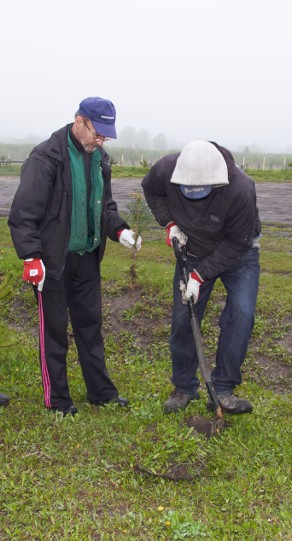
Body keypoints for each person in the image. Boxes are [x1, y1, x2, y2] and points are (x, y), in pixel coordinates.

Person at [8, 97, 140, 416]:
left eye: (107, 134)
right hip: (52, 262)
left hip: (87, 258)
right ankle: (59, 400)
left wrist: (119, 230)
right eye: (98, 131)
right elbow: (22, 215)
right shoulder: (46, 157)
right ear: (79, 120)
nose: (102, 139)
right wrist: (31, 257)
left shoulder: (100, 159)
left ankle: (101, 392)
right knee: (54, 331)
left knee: (90, 326)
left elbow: (104, 206)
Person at [142, 140, 261, 415]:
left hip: (238, 254)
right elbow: (150, 190)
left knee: (241, 314)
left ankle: (223, 390)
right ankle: (184, 388)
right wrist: (169, 223)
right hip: (192, 249)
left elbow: (238, 243)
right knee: (184, 318)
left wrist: (199, 276)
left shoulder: (241, 188)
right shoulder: (167, 169)